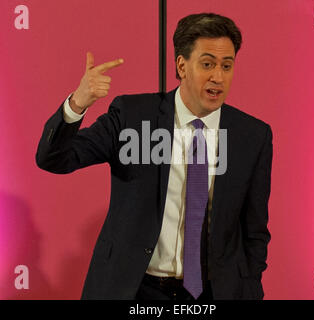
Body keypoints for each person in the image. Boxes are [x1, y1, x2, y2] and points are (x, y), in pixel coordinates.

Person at [36, 13, 273, 300]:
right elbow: (55, 159)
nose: (218, 77)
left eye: (227, 65)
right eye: (207, 64)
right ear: (182, 66)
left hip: (210, 293)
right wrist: (78, 103)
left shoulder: (252, 136)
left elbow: (254, 230)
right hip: (136, 289)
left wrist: (248, 287)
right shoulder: (133, 117)